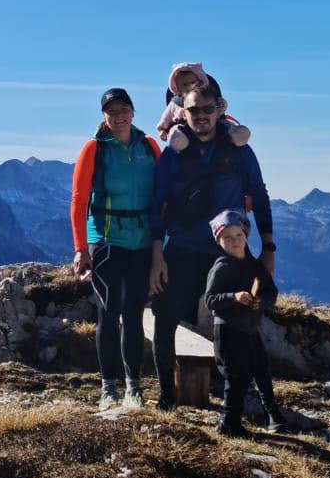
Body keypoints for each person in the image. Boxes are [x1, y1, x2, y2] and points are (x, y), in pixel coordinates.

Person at [147, 84, 275, 409]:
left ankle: (259, 401)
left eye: (207, 110)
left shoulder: (239, 150)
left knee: (246, 324)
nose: (201, 117)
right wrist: (157, 254)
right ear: (182, 112)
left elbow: (259, 196)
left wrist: (269, 247)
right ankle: (166, 396)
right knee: (165, 318)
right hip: (183, 249)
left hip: (229, 251)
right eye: (194, 111)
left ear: (219, 109)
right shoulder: (174, 154)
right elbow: (156, 202)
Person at [70, 88, 160, 411]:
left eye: (124, 109)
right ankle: (109, 388)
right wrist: (81, 248)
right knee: (108, 314)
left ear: (133, 112)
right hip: (106, 242)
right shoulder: (94, 149)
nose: (119, 116)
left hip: (140, 241)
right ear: (103, 116)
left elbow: (163, 193)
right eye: (112, 111)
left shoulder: (149, 146)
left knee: (134, 314)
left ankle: (133, 388)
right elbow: (79, 201)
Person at [204, 210, 283, 436]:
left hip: (250, 329)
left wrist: (261, 301)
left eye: (238, 235)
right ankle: (229, 423)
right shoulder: (221, 267)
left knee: (261, 370)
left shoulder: (255, 266)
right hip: (227, 331)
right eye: (227, 238)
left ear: (246, 236)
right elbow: (210, 300)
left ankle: (273, 415)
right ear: (219, 242)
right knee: (236, 377)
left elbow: (271, 293)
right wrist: (233, 297)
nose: (234, 241)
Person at [153, 62, 251, 153]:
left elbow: (221, 105)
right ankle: (178, 141)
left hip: (217, 126)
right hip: (183, 127)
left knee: (225, 125)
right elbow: (166, 117)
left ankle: (237, 135)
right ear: (177, 86)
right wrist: (163, 130)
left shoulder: (210, 96)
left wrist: (221, 106)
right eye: (193, 110)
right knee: (176, 130)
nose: (201, 114)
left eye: (193, 82)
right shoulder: (175, 103)